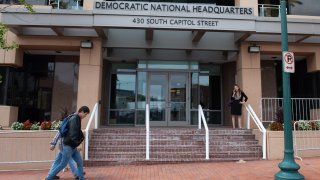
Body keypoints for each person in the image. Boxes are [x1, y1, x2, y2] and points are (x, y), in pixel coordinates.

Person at [46, 106, 90, 180]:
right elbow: (72, 134)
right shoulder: (74, 119)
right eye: (85, 114)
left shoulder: (75, 118)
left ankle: (80, 178)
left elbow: (70, 132)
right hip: (67, 145)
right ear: (82, 112)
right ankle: (49, 177)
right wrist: (77, 143)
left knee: (78, 162)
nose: (85, 116)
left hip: (70, 145)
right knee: (63, 163)